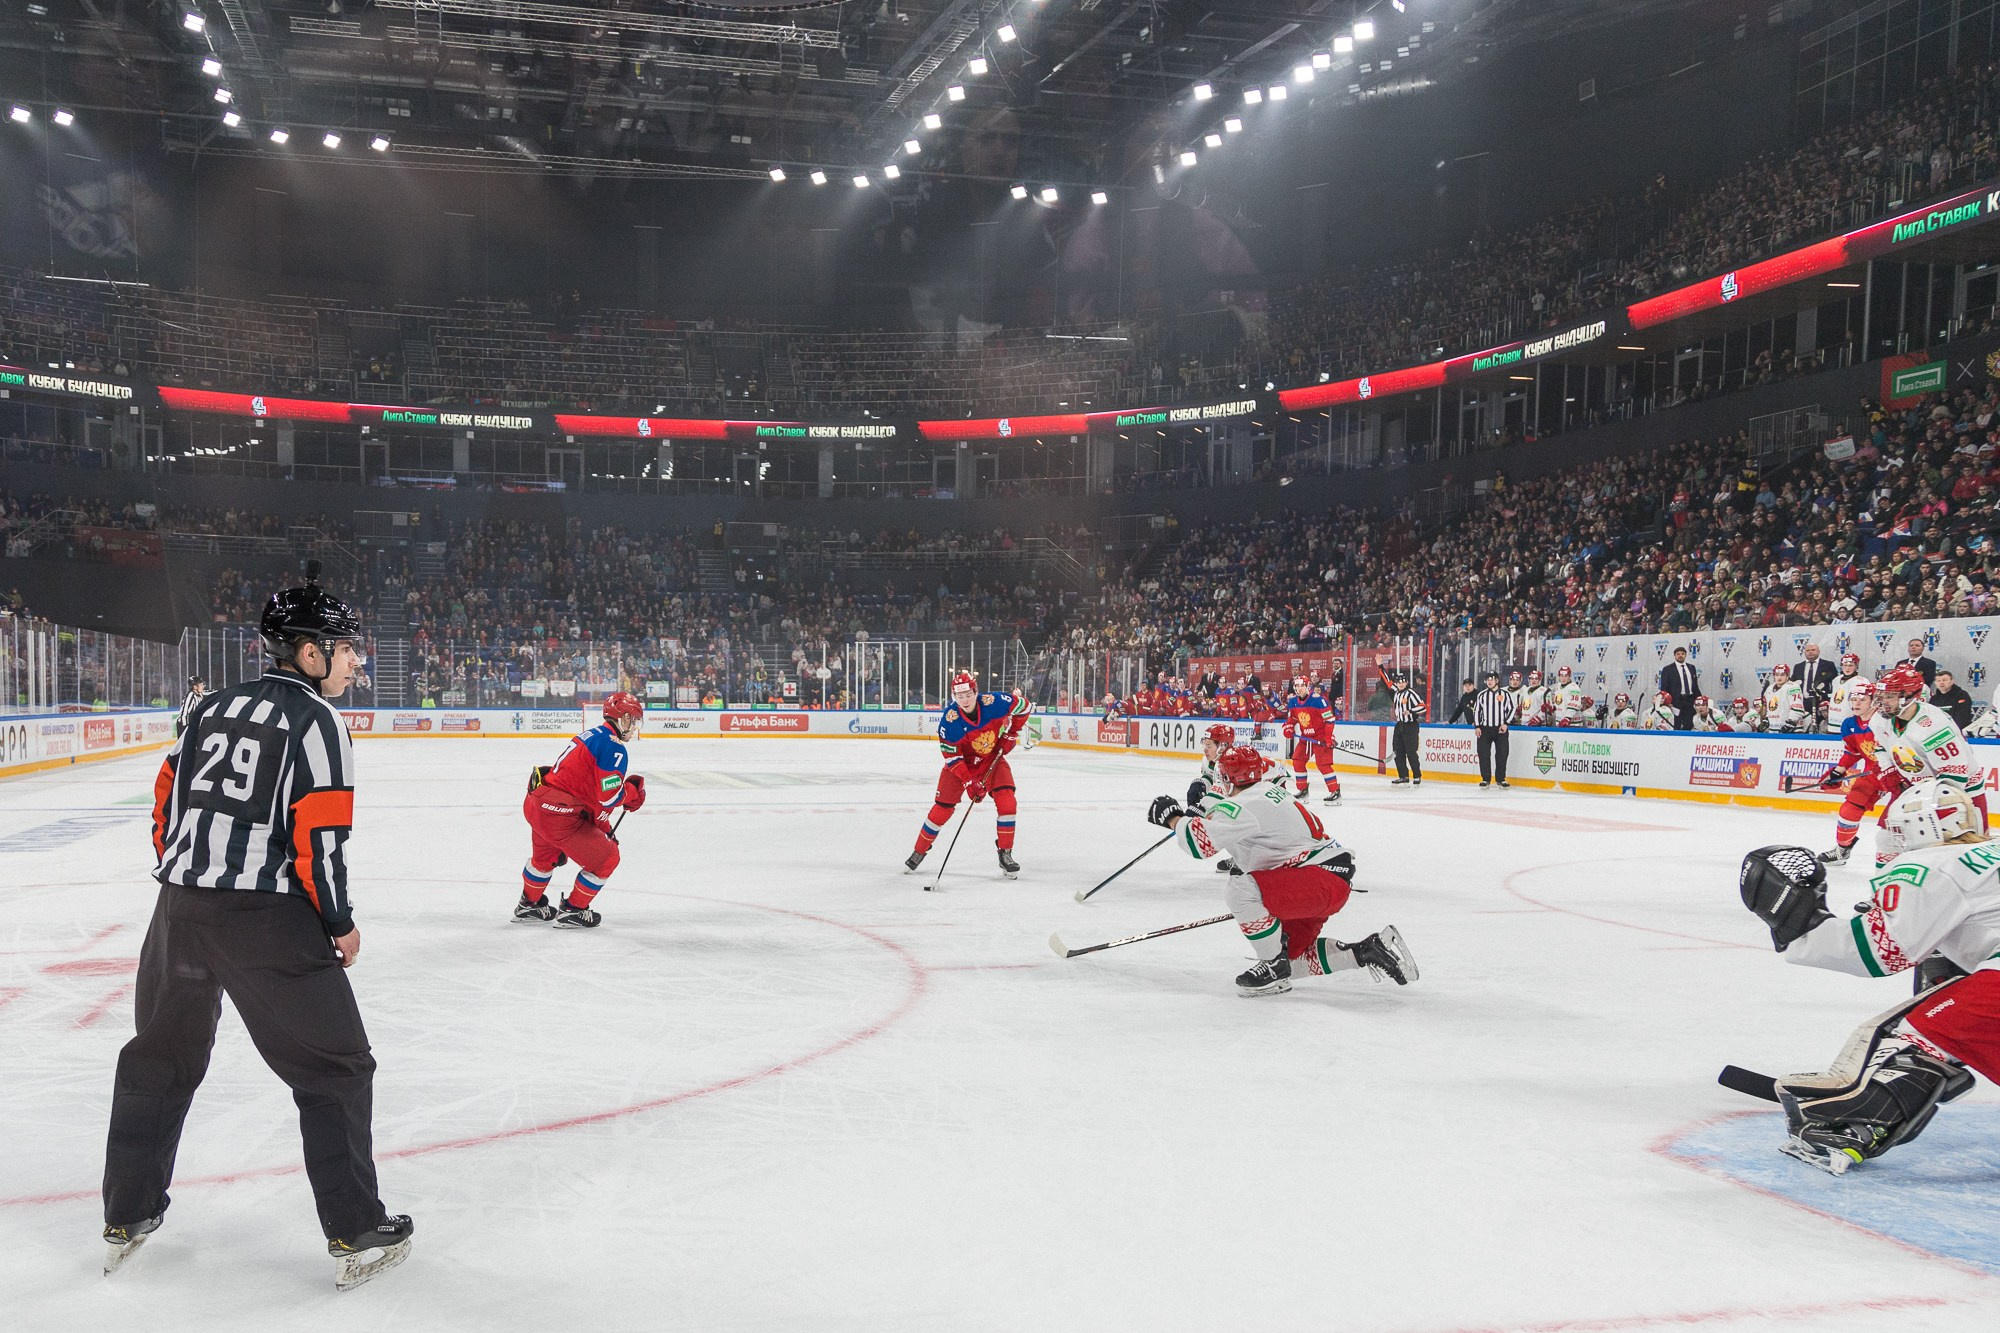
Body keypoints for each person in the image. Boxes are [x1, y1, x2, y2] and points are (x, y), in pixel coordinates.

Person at [104, 568, 412, 1291]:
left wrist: (186, 874)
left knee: (159, 1059)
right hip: (265, 919)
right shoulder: (319, 724)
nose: (354, 660)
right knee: (336, 1066)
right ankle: (354, 1227)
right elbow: (319, 840)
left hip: (179, 910)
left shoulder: (207, 708)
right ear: (307, 654)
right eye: (342, 648)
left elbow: (164, 803)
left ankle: (128, 1211)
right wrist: (339, 923)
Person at [1736, 781, 1999, 1174]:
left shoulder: (1932, 865)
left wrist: (1799, 924)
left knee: (1923, 1033)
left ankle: (1855, 1125)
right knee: (1947, 997)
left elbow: (1878, 953)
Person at [1144, 744, 1414, 995]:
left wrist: (1172, 818)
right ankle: (1366, 951)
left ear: (1227, 779)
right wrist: (1198, 814)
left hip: (1318, 879)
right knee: (1292, 962)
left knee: (1241, 891)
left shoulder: (1244, 804)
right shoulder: (1267, 792)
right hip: (1322, 879)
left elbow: (1199, 845)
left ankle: (1273, 963)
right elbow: (1240, 831)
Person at [516, 691, 647, 928]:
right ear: (623, 718)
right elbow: (608, 798)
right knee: (608, 858)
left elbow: (586, 791)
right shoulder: (614, 748)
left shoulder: (593, 735)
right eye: (633, 720)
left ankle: (529, 906)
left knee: (544, 858)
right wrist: (631, 792)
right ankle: (574, 910)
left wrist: (602, 824)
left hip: (538, 804)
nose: (635, 727)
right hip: (560, 816)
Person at [906, 671, 1032, 878]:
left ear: (976, 691)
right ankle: (919, 851)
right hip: (961, 766)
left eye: (968, 694)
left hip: (990, 759)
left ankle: (1005, 853)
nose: (964, 700)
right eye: (959, 696)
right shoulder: (950, 720)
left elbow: (1024, 706)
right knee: (942, 810)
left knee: (1008, 802)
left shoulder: (995, 702)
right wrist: (969, 782)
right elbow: (951, 756)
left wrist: (1012, 732)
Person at [1873, 665, 1988, 832]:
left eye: (1890, 696)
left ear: (1910, 696)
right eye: (1882, 696)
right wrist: (1889, 771)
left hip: (1962, 793)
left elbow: (1955, 776)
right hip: (1917, 789)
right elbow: (1880, 746)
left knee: (1969, 847)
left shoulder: (1933, 724)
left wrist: (1926, 805)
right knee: (1888, 840)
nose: (1883, 702)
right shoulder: (1882, 718)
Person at [1814, 680, 1904, 866]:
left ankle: (1904, 856)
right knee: (1849, 810)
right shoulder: (1849, 724)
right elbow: (1853, 752)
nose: (1856, 703)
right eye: (1853, 699)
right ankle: (1842, 850)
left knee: (1897, 819)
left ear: (1873, 700)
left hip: (1901, 775)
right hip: (1873, 774)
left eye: (1861, 699)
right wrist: (1838, 772)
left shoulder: (1886, 720)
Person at [1185, 722, 1240, 873]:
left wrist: (1201, 808)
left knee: (1228, 819)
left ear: (1222, 746)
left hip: (1265, 802)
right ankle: (1241, 857)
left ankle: (1248, 859)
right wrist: (1201, 784)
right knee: (1223, 819)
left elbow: (1221, 792)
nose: (1205, 749)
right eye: (1205, 744)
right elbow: (1211, 777)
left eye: (1209, 745)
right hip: (1245, 799)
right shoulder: (1212, 761)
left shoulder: (1232, 762)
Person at [1281, 675, 1343, 804]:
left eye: (1302, 685)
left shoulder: (1319, 700)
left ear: (1308, 686)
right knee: (1297, 760)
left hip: (1321, 737)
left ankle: (1335, 791)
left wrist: (1328, 738)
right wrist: (1288, 727)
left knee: (1323, 765)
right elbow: (1292, 719)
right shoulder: (1293, 702)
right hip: (1306, 738)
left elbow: (1330, 720)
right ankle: (1303, 790)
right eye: (1296, 686)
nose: (1299, 688)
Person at [1471, 669, 1514, 788]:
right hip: (1485, 729)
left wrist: (1506, 723)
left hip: (1500, 729)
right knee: (1483, 754)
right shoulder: (1482, 695)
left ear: (1497, 680)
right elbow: (1477, 710)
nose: (1489, 682)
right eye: (1487, 680)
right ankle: (1486, 778)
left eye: (1492, 679)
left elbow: (1511, 709)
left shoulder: (1504, 694)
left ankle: (1501, 778)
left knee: (1502, 754)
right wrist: (1477, 726)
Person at [1384, 669, 1425, 785]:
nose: (1401, 684)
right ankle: (1403, 775)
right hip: (1400, 725)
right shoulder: (1396, 692)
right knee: (1398, 751)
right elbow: (1387, 682)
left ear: (1407, 682)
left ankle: (1417, 775)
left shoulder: (1411, 693)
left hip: (1411, 725)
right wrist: (1381, 667)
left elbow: (1422, 707)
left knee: (1411, 751)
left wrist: (1411, 711)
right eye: (1399, 682)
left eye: (1403, 682)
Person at [1794, 642, 1838, 731]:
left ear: (1818, 651)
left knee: (1821, 729)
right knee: (1804, 729)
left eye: (1813, 650)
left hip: (1821, 703)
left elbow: (1836, 684)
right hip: (1803, 703)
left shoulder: (1828, 665)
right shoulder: (1798, 667)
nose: (1810, 652)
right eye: (1808, 650)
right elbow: (1793, 684)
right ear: (1804, 652)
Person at [1658, 646, 1701, 729]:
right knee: (1676, 723)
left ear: (1685, 655)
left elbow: (1695, 685)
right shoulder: (1668, 669)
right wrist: (1667, 702)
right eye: (1678, 654)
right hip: (1675, 701)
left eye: (1682, 654)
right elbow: (1664, 687)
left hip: (1690, 700)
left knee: (1689, 723)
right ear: (1674, 656)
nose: (1680, 655)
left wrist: (1699, 698)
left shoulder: (1691, 668)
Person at [1762, 663, 1807, 733]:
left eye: (1782, 675)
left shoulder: (1792, 687)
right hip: (1774, 728)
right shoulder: (1769, 689)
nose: (1779, 678)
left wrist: (1791, 722)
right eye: (1777, 675)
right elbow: (1770, 708)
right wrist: (1767, 719)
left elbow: (1797, 707)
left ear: (1787, 676)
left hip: (1791, 729)